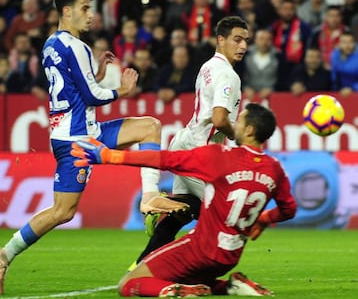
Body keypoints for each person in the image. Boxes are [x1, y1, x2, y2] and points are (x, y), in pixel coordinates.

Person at [0, 0, 187, 295]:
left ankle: (149, 197)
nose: (91, 14)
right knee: (62, 212)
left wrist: (98, 72)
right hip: (77, 140)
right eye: (84, 7)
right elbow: (93, 95)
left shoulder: (52, 44)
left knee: (150, 127)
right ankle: (4, 253)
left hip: (83, 131)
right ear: (66, 11)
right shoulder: (76, 45)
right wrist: (123, 90)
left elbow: (77, 86)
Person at [71, 103, 297, 297]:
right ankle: (230, 285)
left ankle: (175, 291)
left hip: (199, 250)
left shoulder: (221, 157)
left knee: (128, 283)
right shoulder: (275, 169)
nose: (234, 125)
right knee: (197, 276)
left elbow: (165, 159)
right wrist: (265, 218)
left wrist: (112, 156)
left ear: (249, 130)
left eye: (239, 122)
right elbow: (289, 209)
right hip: (230, 257)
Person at [131, 16, 250, 270]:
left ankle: (141, 266)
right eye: (237, 40)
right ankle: (191, 268)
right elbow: (219, 118)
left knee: (181, 213)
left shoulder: (207, 66)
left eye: (245, 41)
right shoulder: (229, 76)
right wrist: (236, 134)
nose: (242, 46)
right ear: (221, 40)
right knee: (225, 214)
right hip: (199, 156)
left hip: (184, 143)